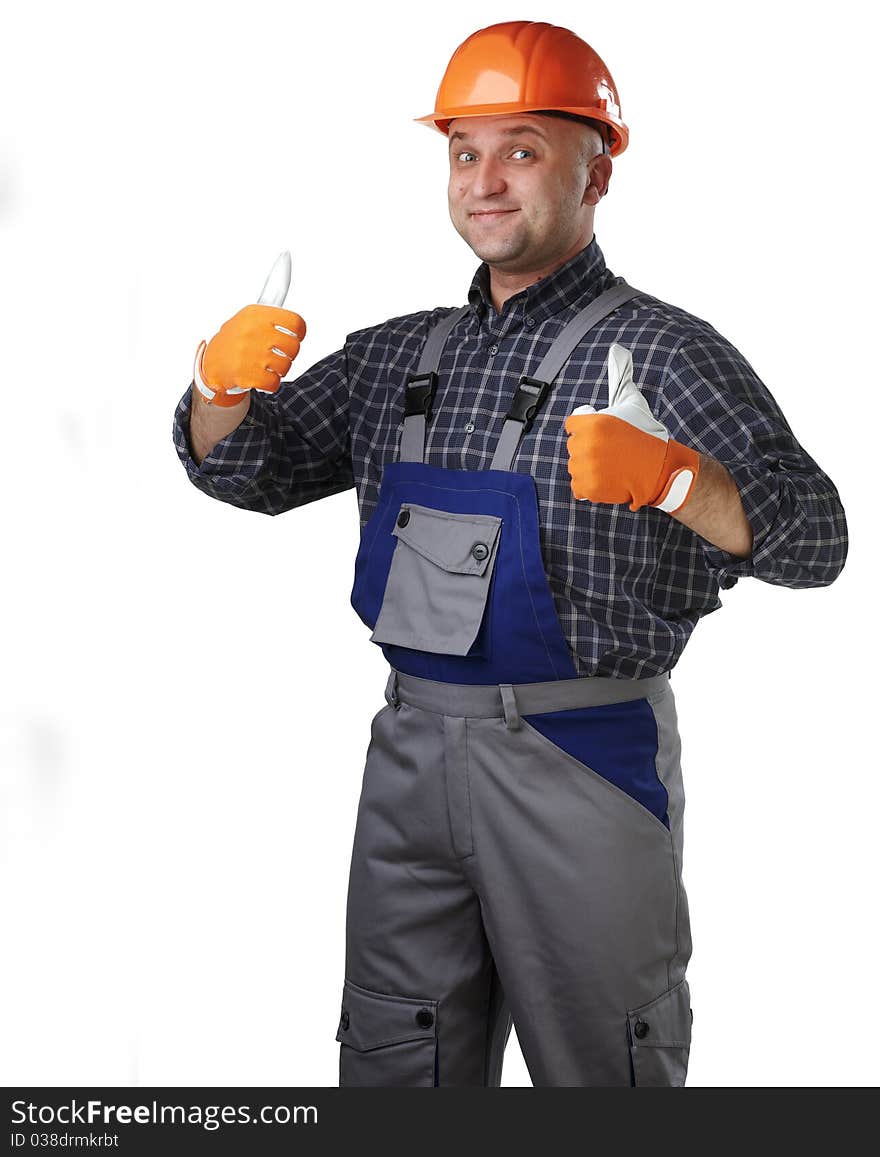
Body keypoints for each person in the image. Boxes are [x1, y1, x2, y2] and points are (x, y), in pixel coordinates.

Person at [172, 21, 848, 1087]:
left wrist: (678, 479)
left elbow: (819, 536)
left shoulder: (665, 350)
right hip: (408, 754)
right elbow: (241, 469)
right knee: (397, 1055)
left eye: (522, 147)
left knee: (601, 1071)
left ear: (597, 167)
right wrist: (217, 390)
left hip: (582, 758)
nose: (484, 180)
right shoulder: (398, 354)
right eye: (463, 150)